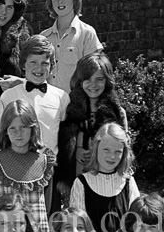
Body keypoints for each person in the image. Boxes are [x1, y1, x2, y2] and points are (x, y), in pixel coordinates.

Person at [55, 53, 128, 209]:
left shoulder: (117, 112)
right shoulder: (68, 109)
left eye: (99, 79)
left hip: (106, 182)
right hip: (75, 181)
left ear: (107, 81)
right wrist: (77, 152)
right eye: (87, 79)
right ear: (79, 81)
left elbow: (125, 149)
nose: (93, 85)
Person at [0, 99, 56, 232]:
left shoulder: (44, 161)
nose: (19, 133)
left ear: (33, 129)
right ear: (5, 131)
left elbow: (48, 205)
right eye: (12, 129)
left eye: (24, 127)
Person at [70, 122, 140, 232]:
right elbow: (78, 225)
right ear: (96, 148)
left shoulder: (129, 183)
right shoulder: (81, 183)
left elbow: (135, 223)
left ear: (124, 153)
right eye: (106, 150)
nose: (111, 156)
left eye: (117, 151)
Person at [0, 35, 69, 156]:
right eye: (33, 62)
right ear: (23, 64)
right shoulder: (8, 97)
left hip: (51, 167)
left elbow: (65, 137)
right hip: (17, 165)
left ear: (51, 66)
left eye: (44, 63)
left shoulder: (62, 98)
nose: (39, 68)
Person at [41, 0, 103, 93]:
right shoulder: (43, 37)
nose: (60, 0)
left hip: (76, 107)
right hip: (49, 106)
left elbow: (94, 76)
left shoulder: (87, 34)